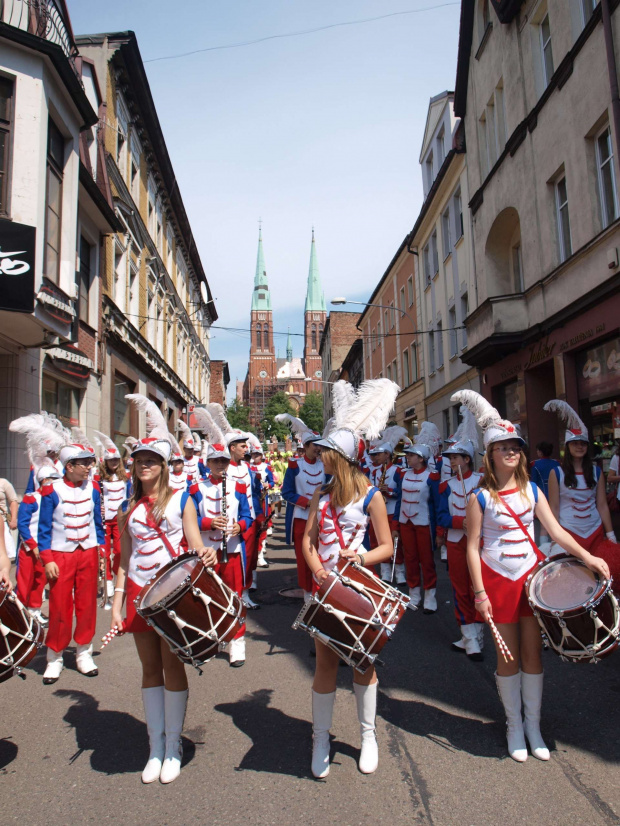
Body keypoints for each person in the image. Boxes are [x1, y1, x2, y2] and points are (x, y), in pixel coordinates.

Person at [455, 390, 610, 763]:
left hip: (530, 581)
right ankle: (513, 725)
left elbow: (556, 533)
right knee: (507, 658)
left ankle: (533, 725)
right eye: (503, 446)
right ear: (490, 454)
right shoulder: (479, 497)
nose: (511, 451)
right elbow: (471, 547)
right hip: (496, 581)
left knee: (533, 655)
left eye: (516, 446)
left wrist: (589, 556)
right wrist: (479, 593)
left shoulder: (533, 490)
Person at [110, 396, 217, 785]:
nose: (145, 466)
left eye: (152, 460)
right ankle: (154, 746)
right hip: (139, 593)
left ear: (165, 465)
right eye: (140, 461)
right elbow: (124, 561)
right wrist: (117, 605)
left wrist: (205, 552)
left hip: (171, 594)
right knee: (149, 668)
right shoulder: (127, 510)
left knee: (173, 665)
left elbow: (193, 543)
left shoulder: (181, 500)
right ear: (134, 467)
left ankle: (173, 745)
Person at [302, 377, 400, 779]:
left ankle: (368, 736)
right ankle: (321, 738)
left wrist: (358, 556)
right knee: (324, 663)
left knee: (363, 662)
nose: (320, 457)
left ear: (340, 458)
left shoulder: (371, 494)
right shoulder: (320, 495)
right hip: (324, 588)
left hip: (359, 589)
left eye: (326, 453)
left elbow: (387, 547)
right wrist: (320, 571)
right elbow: (309, 543)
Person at [37, 440, 103, 684]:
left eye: (90, 462)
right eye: (84, 463)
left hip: (87, 552)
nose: (89, 467)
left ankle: (83, 652)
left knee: (87, 604)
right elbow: (43, 529)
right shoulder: (51, 491)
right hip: (60, 555)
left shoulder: (94, 488)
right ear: (68, 466)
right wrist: (47, 559)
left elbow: (97, 522)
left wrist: (102, 548)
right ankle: (54, 657)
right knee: (59, 606)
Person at [190, 410, 252, 666]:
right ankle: (211, 638)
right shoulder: (195, 489)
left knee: (234, 596)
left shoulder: (237, 487)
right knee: (207, 596)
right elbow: (188, 520)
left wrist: (238, 526)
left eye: (224, 461)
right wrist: (207, 523)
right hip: (206, 551)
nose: (220, 466)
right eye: (215, 461)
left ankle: (237, 642)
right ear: (207, 463)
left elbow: (249, 516)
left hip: (232, 551)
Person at [544, 401, 620, 582]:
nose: (580, 446)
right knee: (573, 581)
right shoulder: (557, 473)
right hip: (568, 533)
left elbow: (601, 505)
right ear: (568, 447)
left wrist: (610, 535)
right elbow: (553, 507)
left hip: (594, 532)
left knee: (599, 579)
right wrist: (553, 537)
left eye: (583, 444)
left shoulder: (596, 471)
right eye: (575, 443)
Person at [436, 407, 483, 658]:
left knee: (479, 586)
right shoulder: (446, 486)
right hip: (455, 542)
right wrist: (458, 522)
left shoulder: (482, 481)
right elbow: (441, 516)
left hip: (480, 543)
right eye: (450, 458)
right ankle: (469, 636)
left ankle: (477, 632)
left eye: (456, 457)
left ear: (467, 459)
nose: (452, 462)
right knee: (460, 589)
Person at [277, 413, 325, 603]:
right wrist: (306, 502)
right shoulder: (294, 465)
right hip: (301, 518)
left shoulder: (326, 465)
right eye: (315, 445)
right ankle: (307, 593)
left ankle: (321, 589)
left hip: (322, 518)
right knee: (304, 556)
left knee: (322, 553)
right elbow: (286, 492)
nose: (318, 448)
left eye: (319, 445)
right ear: (306, 447)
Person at [393, 422, 440, 612]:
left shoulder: (432, 477)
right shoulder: (403, 475)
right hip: (406, 523)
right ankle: (414, 593)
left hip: (424, 523)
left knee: (427, 560)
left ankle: (430, 595)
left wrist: (439, 532)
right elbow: (399, 500)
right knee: (410, 558)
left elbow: (437, 506)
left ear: (421, 459)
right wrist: (395, 525)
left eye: (411, 455)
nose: (408, 458)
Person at [16, 462, 62, 626]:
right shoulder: (31, 498)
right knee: (24, 582)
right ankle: (19, 613)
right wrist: (32, 545)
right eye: (53, 480)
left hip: (44, 548)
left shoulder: (54, 498)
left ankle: (34, 611)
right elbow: (22, 524)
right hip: (29, 549)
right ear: (44, 480)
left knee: (40, 581)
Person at [364, 426, 406, 583]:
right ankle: (385, 571)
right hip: (377, 511)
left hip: (391, 510)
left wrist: (389, 491)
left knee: (395, 541)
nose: (374, 458)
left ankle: (400, 571)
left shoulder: (398, 471)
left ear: (387, 455)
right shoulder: (374, 472)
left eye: (378, 454)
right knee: (376, 541)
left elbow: (401, 493)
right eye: (373, 455)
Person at [94, 431, 131, 608]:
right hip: (103, 520)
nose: (114, 463)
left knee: (118, 551)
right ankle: (107, 583)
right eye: (111, 460)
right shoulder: (98, 479)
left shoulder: (126, 478)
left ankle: (118, 579)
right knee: (103, 554)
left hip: (120, 520)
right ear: (106, 462)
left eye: (116, 460)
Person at [0, 476, 18, 561]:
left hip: (2, 523)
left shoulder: (3, 483)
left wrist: (14, 519)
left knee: (8, 555)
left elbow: (13, 501)